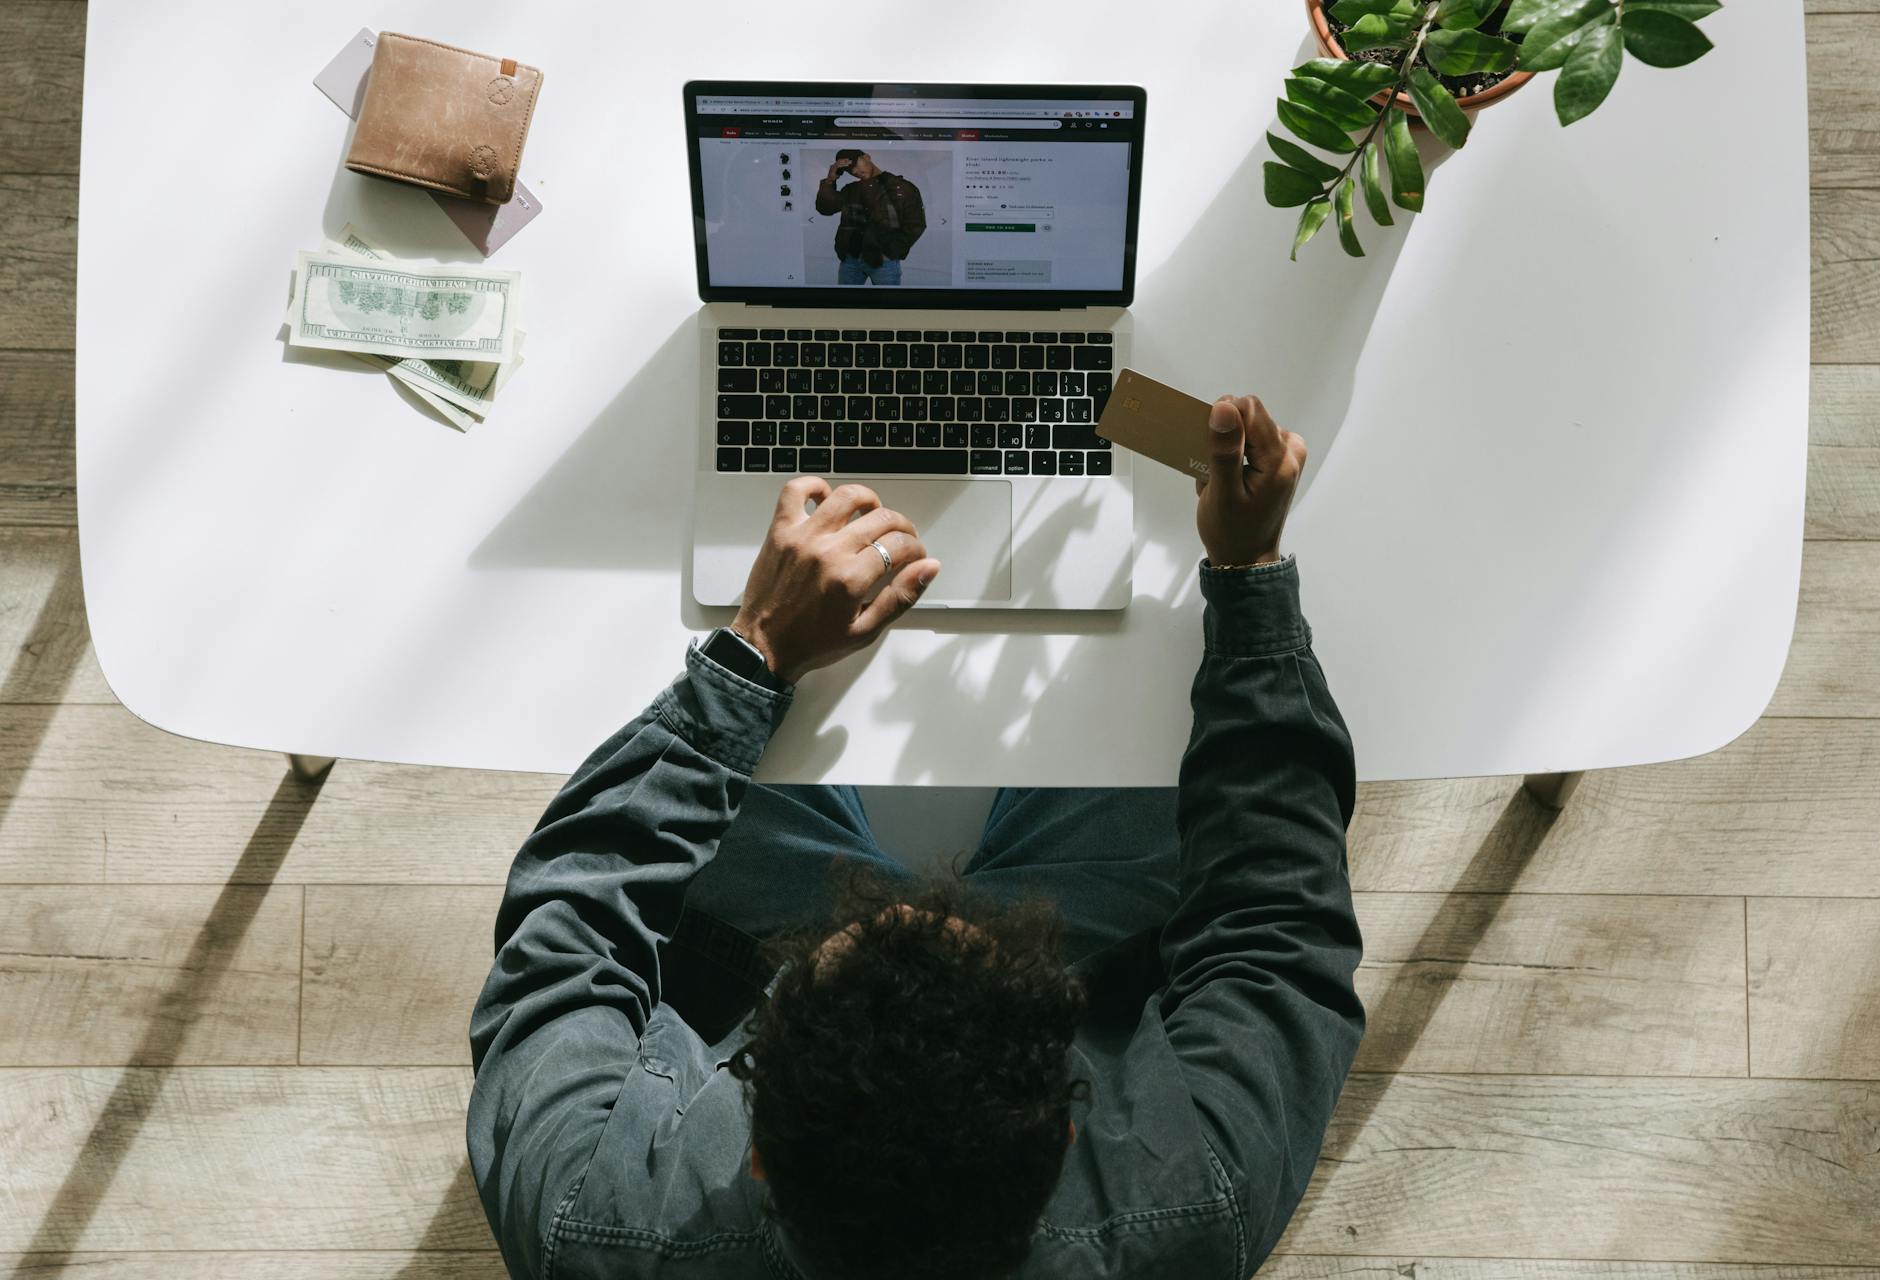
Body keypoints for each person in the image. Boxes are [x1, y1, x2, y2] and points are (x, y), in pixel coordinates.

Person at [467, 395, 1366, 1279]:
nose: (917, 897)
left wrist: (753, 657)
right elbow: (1278, 928)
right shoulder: (1191, 1201)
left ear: (756, 1153)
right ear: (1064, 1123)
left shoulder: (591, 1223)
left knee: (688, 780)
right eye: (967, 933)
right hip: (1051, 971)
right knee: (1166, 757)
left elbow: (569, 923)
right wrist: (1249, 580)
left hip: (813, 975)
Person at [815, 149, 927, 286]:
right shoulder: (851, 189)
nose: (855, 171)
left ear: (866, 157)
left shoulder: (901, 187)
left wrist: (891, 252)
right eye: (850, 170)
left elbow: (916, 224)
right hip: (850, 261)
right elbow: (825, 208)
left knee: (887, 306)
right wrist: (830, 179)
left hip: (883, 263)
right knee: (845, 306)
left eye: (855, 164)